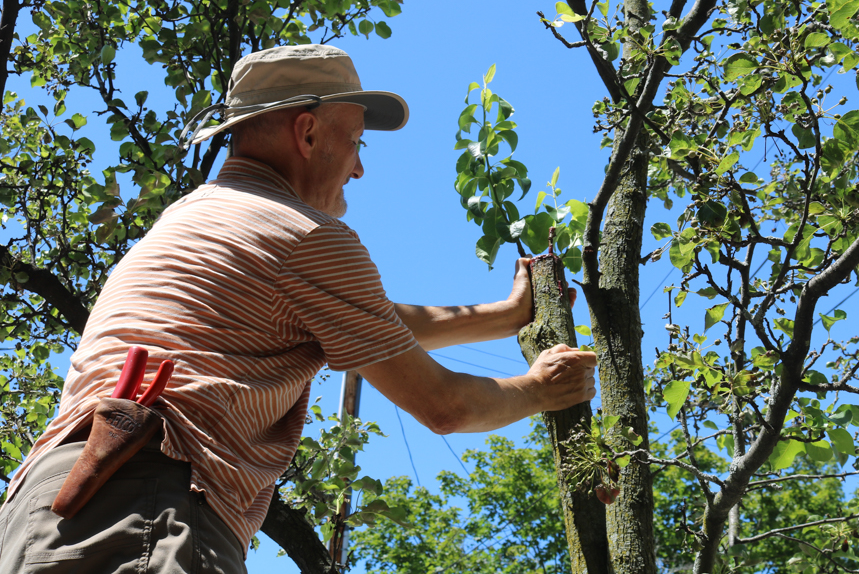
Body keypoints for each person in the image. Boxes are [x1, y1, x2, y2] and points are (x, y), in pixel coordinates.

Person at [0, 44, 597, 573]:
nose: (360, 166)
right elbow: (445, 406)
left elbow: (368, 324)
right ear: (308, 133)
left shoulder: (199, 216)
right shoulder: (304, 235)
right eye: (356, 142)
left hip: (49, 506)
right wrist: (541, 388)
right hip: (149, 505)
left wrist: (505, 315)